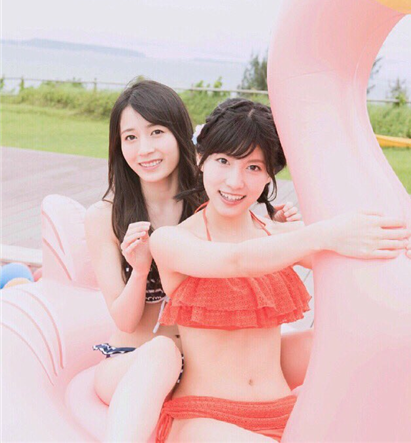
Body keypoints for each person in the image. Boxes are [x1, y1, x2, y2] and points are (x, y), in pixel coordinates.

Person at [151, 98, 411, 442]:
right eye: (223, 161)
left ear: (269, 175)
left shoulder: (284, 237)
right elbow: (235, 260)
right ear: (201, 159)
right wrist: (322, 233)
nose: (235, 182)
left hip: (285, 414)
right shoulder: (171, 241)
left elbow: (369, 264)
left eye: (253, 167)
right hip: (204, 419)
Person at [85, 82, 301, 442]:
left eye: (157, 132)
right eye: (130, 137)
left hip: (198, 366)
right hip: (137, 358)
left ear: (181, 135)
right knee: (163, 352)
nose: (145, 149)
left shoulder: (211, 199)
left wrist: (274, 225)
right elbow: (123, 319)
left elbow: (242, 253)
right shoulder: (105, 216)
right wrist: (140, 269)